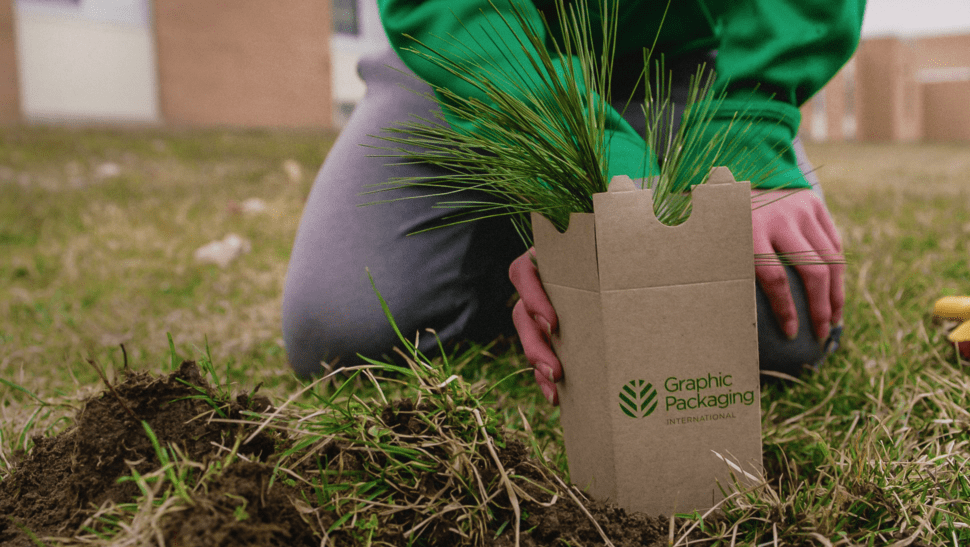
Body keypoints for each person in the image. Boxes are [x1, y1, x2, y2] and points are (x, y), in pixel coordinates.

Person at [282, 0, 863, 399]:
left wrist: (750, 127)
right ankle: (521, 248)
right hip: (480, 51)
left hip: (682, 57)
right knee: (344, 332)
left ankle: (530, 255)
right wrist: (592, 196)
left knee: (773, 326)